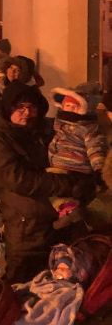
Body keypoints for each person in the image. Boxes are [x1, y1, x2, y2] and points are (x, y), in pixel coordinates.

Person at [0, 87, 95, 283]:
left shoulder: (44, 131)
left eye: (31, 107)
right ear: (8, 109)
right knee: (20, 283)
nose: (26, 113)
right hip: (26, 228)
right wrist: (67, 185)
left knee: (61, 280)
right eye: (19, 108)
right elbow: (19, 180)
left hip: (58, 223)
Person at [46, 87, 108, 228]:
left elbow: (95, 148)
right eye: (68, 106)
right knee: (50, 189)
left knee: (51, 185)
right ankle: (67, 211)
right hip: (59, 166)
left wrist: (99, 169)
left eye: (75, 107)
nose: (71, 110)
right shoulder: (60, 125)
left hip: (74, 167)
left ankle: (70, 210)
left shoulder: (87, 127)